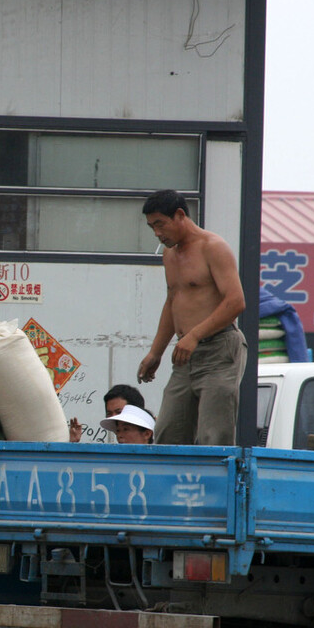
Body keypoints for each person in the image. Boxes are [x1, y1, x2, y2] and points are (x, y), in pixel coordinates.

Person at [136, 189, 246, 445]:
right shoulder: (169, 254)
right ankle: (172, 484)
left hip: (220, 350)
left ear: (180, 215)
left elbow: (236, 302)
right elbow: (172, 302)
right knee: (167, 434)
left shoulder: (213, 247)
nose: (157, 233)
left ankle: (215, 485)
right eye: (151, 227)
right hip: (184, 355)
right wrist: (156, 352)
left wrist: (194, 335)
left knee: (213, 436)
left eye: (160, 224)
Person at [78, 404, 156, 628]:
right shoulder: (110, 466)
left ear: (146, 435)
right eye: (118, 430)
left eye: (127, 429)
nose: (120, 435)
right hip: (114, 565)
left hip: (147, 568)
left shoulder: (161, 467)